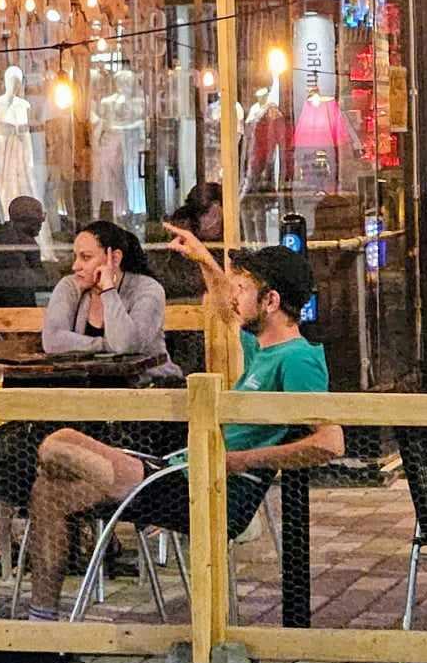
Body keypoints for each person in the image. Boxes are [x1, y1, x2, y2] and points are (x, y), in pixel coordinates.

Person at [20, 232, 339, 627]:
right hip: (182, 471)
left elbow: (330, 442)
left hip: (206, 487)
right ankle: (43, 629)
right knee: (47, 490)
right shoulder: (265, 346)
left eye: (243, 289)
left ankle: (120, 486)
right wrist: (204, 259)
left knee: (57, 444)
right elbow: (227, 309)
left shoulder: (298, 360)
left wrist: (239, 461)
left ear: (270, 301)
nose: (234, 296)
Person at [40, 220, 179, 380]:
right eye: (75, 257)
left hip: (151, 386)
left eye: (85, 257)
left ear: (114, 259)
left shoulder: (148, 289)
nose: (75, 266)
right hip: (91, 388)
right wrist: (106, 346)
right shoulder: (70, 285)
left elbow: (126, 345)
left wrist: (108, 289)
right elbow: (52, 341)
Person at [0, 196, 48, 306]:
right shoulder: (4, 240)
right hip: (4, 312)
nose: (41, 223)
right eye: (38, 219)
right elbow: (22, 286)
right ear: (28, 221)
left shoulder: (19, 240)